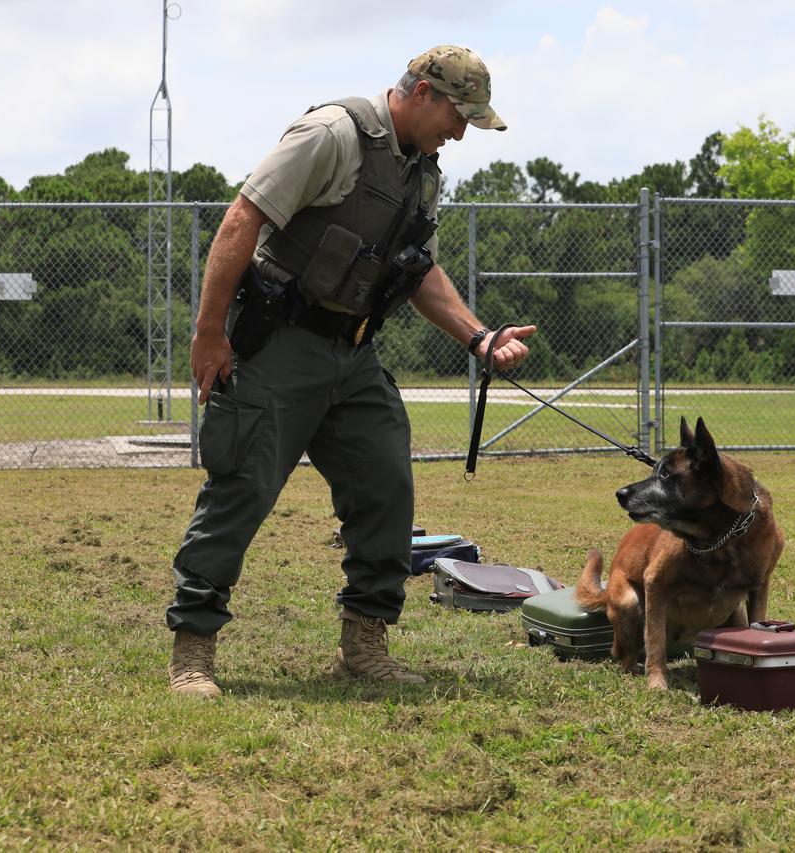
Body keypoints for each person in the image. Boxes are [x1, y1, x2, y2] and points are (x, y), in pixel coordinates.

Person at [165, 45, 536, 698]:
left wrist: (480, 337)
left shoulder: (423, 171)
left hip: (353, 353)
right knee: (240, 486)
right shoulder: (333, 135)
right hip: (279, 344)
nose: (460, 132)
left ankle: (365, 642)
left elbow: (417, 269)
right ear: (421, 93)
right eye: (457, 115)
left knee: (385, 477)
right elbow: (242, 219)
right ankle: (193, 649)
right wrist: (207, 333)